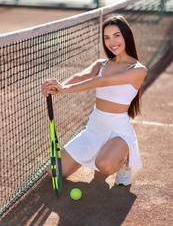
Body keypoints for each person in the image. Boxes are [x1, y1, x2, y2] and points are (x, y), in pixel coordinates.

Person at [41, 14, 147, 186]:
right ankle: (103, 152)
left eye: (117, 35)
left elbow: (103, 81)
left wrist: (65, 89)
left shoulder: (138, 70)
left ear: (126, 35)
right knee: (54, 171)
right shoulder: (101, 64)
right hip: (94, 129)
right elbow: (80, 76)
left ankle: (124, 161)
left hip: (118, 132)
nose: (112, 42)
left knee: (104, 165)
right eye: (107, 37)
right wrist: (59, 85)